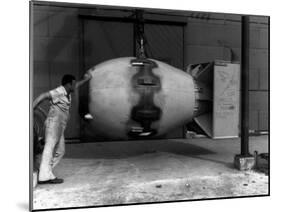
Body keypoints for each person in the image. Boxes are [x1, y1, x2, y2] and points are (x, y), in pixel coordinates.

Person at [33, 69, 93, 184]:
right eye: (73, 84)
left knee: (60, 151)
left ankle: (45, 172)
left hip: (59, 126)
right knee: (49, 148)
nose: (75, 86)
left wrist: (86, 79)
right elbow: (43, 96)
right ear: (68, 84)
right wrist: (31, 109)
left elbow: (78, 84)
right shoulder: (59, 92)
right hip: (53, 124)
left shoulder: (68, 92)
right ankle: (44, 176)